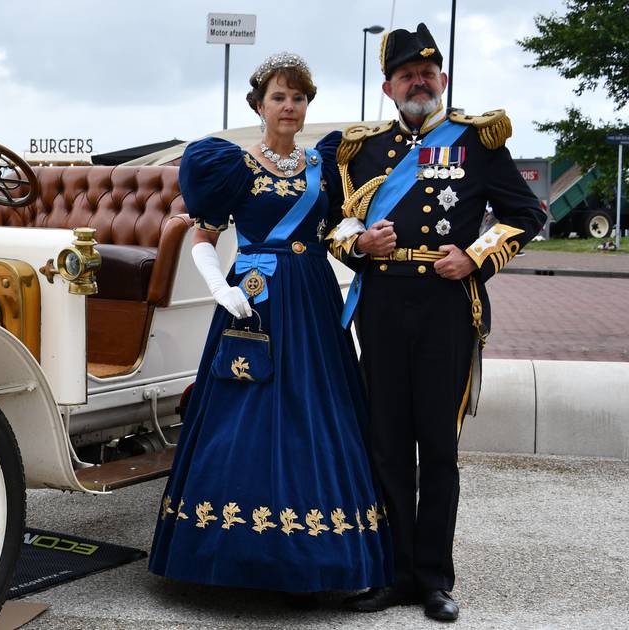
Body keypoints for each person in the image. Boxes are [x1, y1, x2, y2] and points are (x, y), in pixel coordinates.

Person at [150, 52, 391, 604]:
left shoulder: (322, 166)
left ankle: (322, 558)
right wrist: (219, 288)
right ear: (259, 104)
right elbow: (204, 236)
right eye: (279, 97)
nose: (290, 107)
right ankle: (229, 557)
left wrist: (364, 240)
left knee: (315, 411)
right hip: (252, 299)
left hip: (310, 297)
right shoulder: (230, 165)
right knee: (243, 414)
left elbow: (337, 227)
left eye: (299, 98)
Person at [328, 24, 546, 622]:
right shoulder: (362, 149)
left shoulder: (476, 142)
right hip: (383, 306)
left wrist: (475, 255)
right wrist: (361, 243)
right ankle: (392, 574)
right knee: (388, 441)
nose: (417, 82)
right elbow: (336, 225)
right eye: (406, 75)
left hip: (448, 308)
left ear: (442, 80)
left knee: (438, 447)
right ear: (388, 87)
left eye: (427, 74)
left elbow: (527, 214)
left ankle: (434, 580)